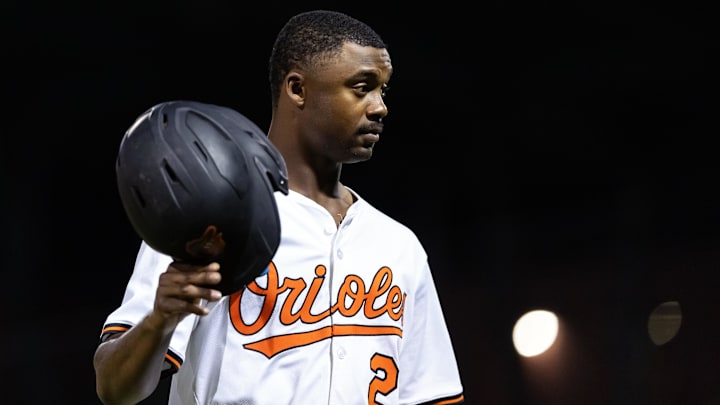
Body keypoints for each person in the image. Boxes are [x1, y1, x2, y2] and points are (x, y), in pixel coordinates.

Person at [94, 9, 465, 405]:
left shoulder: (397, 245)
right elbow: (114, 389)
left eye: (382, 91)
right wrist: (159, 320)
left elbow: (432, 395)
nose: (379, 107)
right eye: (361, 87)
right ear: (296, 88)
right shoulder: (208, 216)